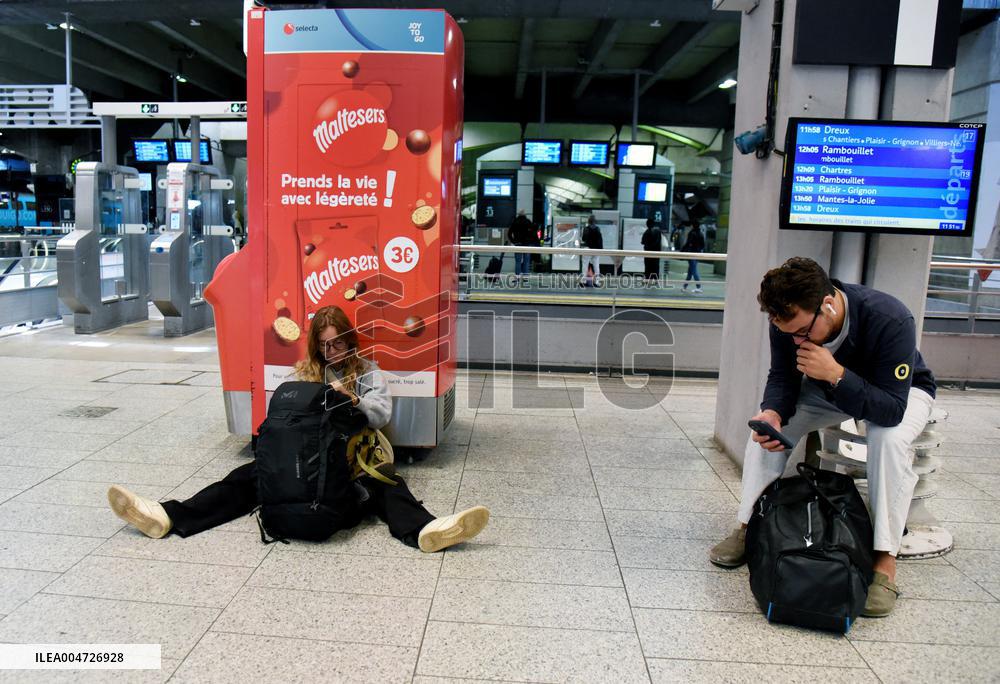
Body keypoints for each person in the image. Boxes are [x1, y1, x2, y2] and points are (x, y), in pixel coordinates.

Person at [107, 305, 490, 553]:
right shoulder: (302, 374)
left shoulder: (368, 372)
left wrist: (351, 400)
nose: (335, 351)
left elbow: (381, 414)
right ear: (317, 347)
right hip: (300, 464)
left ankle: (425, 531)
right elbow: (278, 423)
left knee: (385, 484)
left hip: (351, 462)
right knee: (245, 479)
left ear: (349, 340)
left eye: (340, 342)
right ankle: (168, 515)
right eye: (327, 345)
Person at [708, 257, 936, 618]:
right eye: (788, 333)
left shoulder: (891, 318)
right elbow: (782, 376)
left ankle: (884, 559)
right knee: (770, 429)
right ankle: (747, 524)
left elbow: (892, 408)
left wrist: (838, 375)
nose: (795, 339)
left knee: (888, 441)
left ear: (828, 305)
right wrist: (773, 412)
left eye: (801, 331)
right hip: (828, 387)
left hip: (898, 392)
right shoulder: (788, 321)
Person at [508, 209, 535, 279]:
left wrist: (513, 241)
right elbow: (533, 233)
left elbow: (509, 234)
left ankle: (517, 277)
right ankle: (525, 278)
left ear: (518, 215)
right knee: (526, 261)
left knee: (518, 261)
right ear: (525, 215)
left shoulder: (515, 222)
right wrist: (530, 240)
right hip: (527, 244)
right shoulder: (528, 222)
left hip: (518, 244)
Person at [580, 215, 603, 287]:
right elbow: (600, 240)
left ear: (588, 221)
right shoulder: (598, 229)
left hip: (588, 249)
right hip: (596, 250)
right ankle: (597, 282)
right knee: (596, 265)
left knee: (585, 264)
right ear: (595, 221)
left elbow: (583, 239)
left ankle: (583, 281)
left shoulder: (586, 229)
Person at [681, 221, 704, 294]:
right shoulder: (701, 234)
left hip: (691, 254)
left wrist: (682, 251)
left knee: (694, 271)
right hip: (697, 254)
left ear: (693, 226)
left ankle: (699, 287)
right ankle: (684, 287)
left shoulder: (692, 233)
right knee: (690, 272)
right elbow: (703, 245)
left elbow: (688, 244)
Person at [640, 217, 663, 282]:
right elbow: (659, 241)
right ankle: (655, 279)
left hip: (648, 253)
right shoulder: (658, 231)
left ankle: (648, 279)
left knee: (648, 266)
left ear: (647, 224)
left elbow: (642, 242)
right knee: (655, 266)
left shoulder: (646, 232)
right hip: (656, 253)